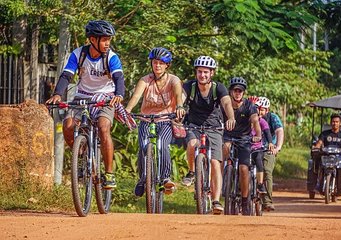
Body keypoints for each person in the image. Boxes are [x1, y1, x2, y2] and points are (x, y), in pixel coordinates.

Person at [46, 20, 124, 189]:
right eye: (104, 39)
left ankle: (109, 174)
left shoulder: (111, 57)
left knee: (104, 127)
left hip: (105, 97)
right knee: (67, 126)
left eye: (109, 39)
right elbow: (66, 75)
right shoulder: (78, 54)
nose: (107, 43)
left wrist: (119, 94)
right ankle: (80, 155)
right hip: (82, 96)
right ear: (92, 40)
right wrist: (58, 94)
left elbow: (118, 77)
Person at [125, 47, 185, 197]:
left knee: (162, 145)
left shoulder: (174, 80)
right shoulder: (145, 80)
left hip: (165, 120)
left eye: (161, 63)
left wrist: (179, 106)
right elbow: (136, 96)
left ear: (167, 65)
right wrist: (128, 110)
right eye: (155, 62)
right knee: (143, 147)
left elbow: (178, 94)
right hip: (146, 119)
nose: (157, 65)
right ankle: (142, 179)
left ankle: (165, 178)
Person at [181, 56, 236, 214]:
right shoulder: (190, 86)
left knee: (215, 163)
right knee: (192, 144)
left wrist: (231, 117)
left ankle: (216, 200)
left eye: (206, 72)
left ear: (212, 73)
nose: (202, 75)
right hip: (194, 125)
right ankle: (192, 172)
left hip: (214, 128)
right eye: (199, 72)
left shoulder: (218, 88)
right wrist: (179, 106)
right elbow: (182, 98)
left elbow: (226, 103)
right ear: (196, 72)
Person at [222, 77, 262, 216]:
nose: (238, 93)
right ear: (231, 92)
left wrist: (257, 134)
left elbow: (255, 121)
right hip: (227, 137)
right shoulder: (224, 104)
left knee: (244, 168)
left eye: (240, 91)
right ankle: (220, 182)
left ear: (244, 93)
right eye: (235, 90)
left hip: (244, 139)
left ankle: (245, 201)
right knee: (223, 152)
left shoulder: (249, 106)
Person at [313, 113, 341, 195]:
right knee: (317, 165)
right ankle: (318, 185)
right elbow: (319, 143)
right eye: (333, 121)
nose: (334, 123)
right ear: (330, 122)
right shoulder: (325, 134)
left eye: (336, 122)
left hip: (340, 158)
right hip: (326, 156)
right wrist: (316, 148)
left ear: (340, 123)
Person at [256, 96, 284, 211]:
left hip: (268, 149)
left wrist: (278, 147)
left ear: (267, 110)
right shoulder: (252, 117)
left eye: (262, 109)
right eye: (258, 108)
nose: (259, 112)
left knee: (267, 171)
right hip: (253, 148)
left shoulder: (273, 118)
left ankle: (267, 201)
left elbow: (279, 131)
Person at [251, 98, 274, 194]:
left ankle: (260, 184)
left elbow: (267, 132)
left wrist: (270, 143)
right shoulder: (244, 119)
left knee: (259, 161)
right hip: (244, 146)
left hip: (256, 148)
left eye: (256, 108)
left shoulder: (261, 121)